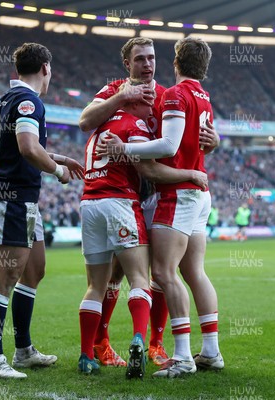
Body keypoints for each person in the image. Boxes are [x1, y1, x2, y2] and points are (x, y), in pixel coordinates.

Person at [79, 37, 219, 368]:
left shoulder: (166, 96)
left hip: (154, 191)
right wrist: (121, 97)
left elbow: (185, 140)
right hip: (118, 192)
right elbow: (85, 121)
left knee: (157, 273)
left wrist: (215, 142)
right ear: (127, 64)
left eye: (152, 58)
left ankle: (155, 343)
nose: (147, 64)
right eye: (140, 58)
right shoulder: (114, 89)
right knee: (115, 275)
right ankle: (101, 343)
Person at [0, 42, 83, 379]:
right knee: (5, 277)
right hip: (11, 197)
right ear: (45, 68)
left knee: (35, 269)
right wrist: (57, 172)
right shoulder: (30, 101)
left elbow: (24, 145)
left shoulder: (9, 99)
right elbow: (27, 148)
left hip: (23, 198)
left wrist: (59, 157)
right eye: (50, 70)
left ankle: (23, 350)